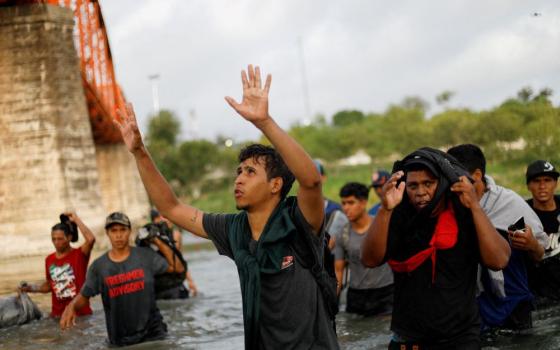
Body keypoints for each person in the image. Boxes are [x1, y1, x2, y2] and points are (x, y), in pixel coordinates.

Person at [113, 65, 339, 349]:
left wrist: (264, 122)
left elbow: (311, 182)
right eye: (239, 171)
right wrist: (139, 152)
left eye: (250, 172)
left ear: (276, 185)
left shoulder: (299, 221)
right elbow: (171, 207)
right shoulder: (233, 229)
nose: (239, 179)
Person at [361, 147, 510, 350]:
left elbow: (499, 260)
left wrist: (475, 206)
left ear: (441, 184)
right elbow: (370, 260)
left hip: (460, 337)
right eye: (413, 186)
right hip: (409, 338)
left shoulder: (463, 215)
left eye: (428, 184)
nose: (421, 192)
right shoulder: (399, 217)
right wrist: (385, 209)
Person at [448, 144, 546, 332]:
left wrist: (532, 244)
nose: (455, 187)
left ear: (476, 176)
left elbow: (540, 254)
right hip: (471, 309)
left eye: (458, 180)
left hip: (514, 305)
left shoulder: (509, 202)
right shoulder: (450, 205)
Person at [60, 212, 185, 347]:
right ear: (107, 233)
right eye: (114, 231)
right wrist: (72, 306)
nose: (118, 235)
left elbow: (177, 268)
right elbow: (84, 296)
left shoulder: (146, 256)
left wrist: (157, 240)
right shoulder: (99, 267)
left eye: (123, 230)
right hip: (121, 340)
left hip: (154, 336)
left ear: (129, 231)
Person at [19, 212, 95, 318]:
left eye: (60, 239)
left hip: (81, 315)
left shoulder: (79, 255)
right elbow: (50, 285)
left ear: (69, 238)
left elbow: (90, 239)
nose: (56, 242)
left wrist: (76, 219)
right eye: (53, 239)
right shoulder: (49, 259)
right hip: (57, 316)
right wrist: (30, 288)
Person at [334, 182, 393, 316]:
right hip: (357, 296)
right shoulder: (342, 234)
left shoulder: (381, 227)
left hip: (385, 293)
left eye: (351, 203)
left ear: (363, 203)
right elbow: (338, 271)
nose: (346, 208)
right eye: (343, 203)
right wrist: (332, 302)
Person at [525, 159, 560, 305]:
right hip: (538, 292)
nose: (542, 186)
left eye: (548, 180)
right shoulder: (521, 212)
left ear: (556, 183)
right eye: (536, 181)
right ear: (528, 185)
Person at [149, 208, 198, 298]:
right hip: (158, 284)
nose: (168, 220)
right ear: (155, 221)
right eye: (164, 217)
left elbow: (180, 259)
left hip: (175, 282)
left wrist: (190, 281)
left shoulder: (176, 235)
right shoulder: (149, 238)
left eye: (168, 217)